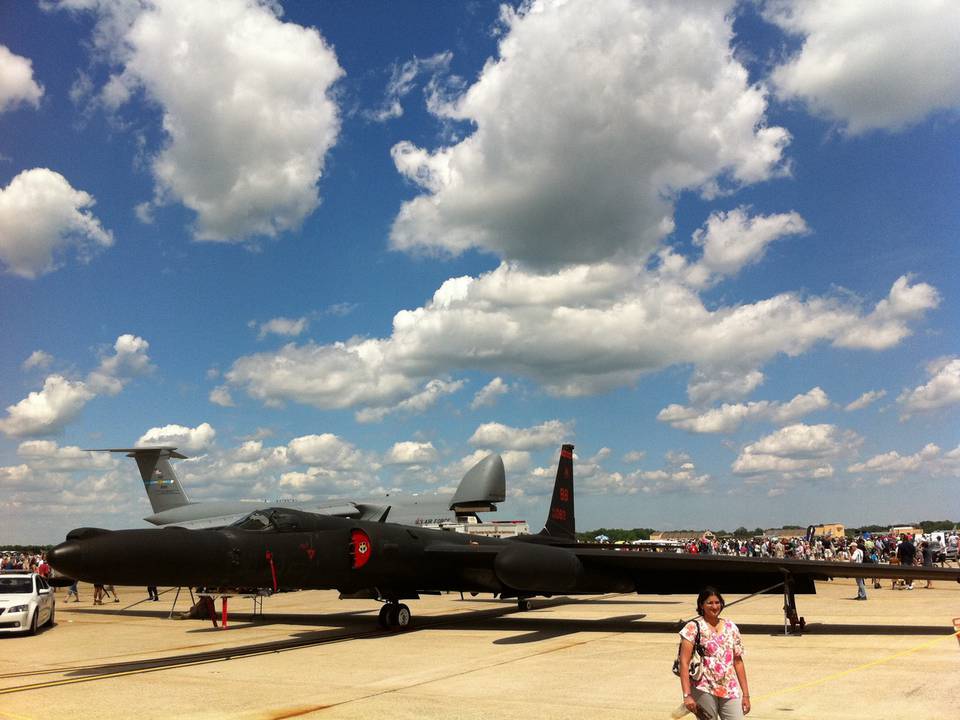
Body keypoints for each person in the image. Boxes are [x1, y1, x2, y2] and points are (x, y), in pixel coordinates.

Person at [678, 587, 750, 719]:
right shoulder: (692, 628)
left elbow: (738, 661)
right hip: (703, 687)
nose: (714, 606)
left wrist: (746, 694)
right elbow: (684, 662)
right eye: (709, 603)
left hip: (729, 687)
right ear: (701, 605)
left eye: (717, 602)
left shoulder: (731, 627)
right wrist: (687, 695)